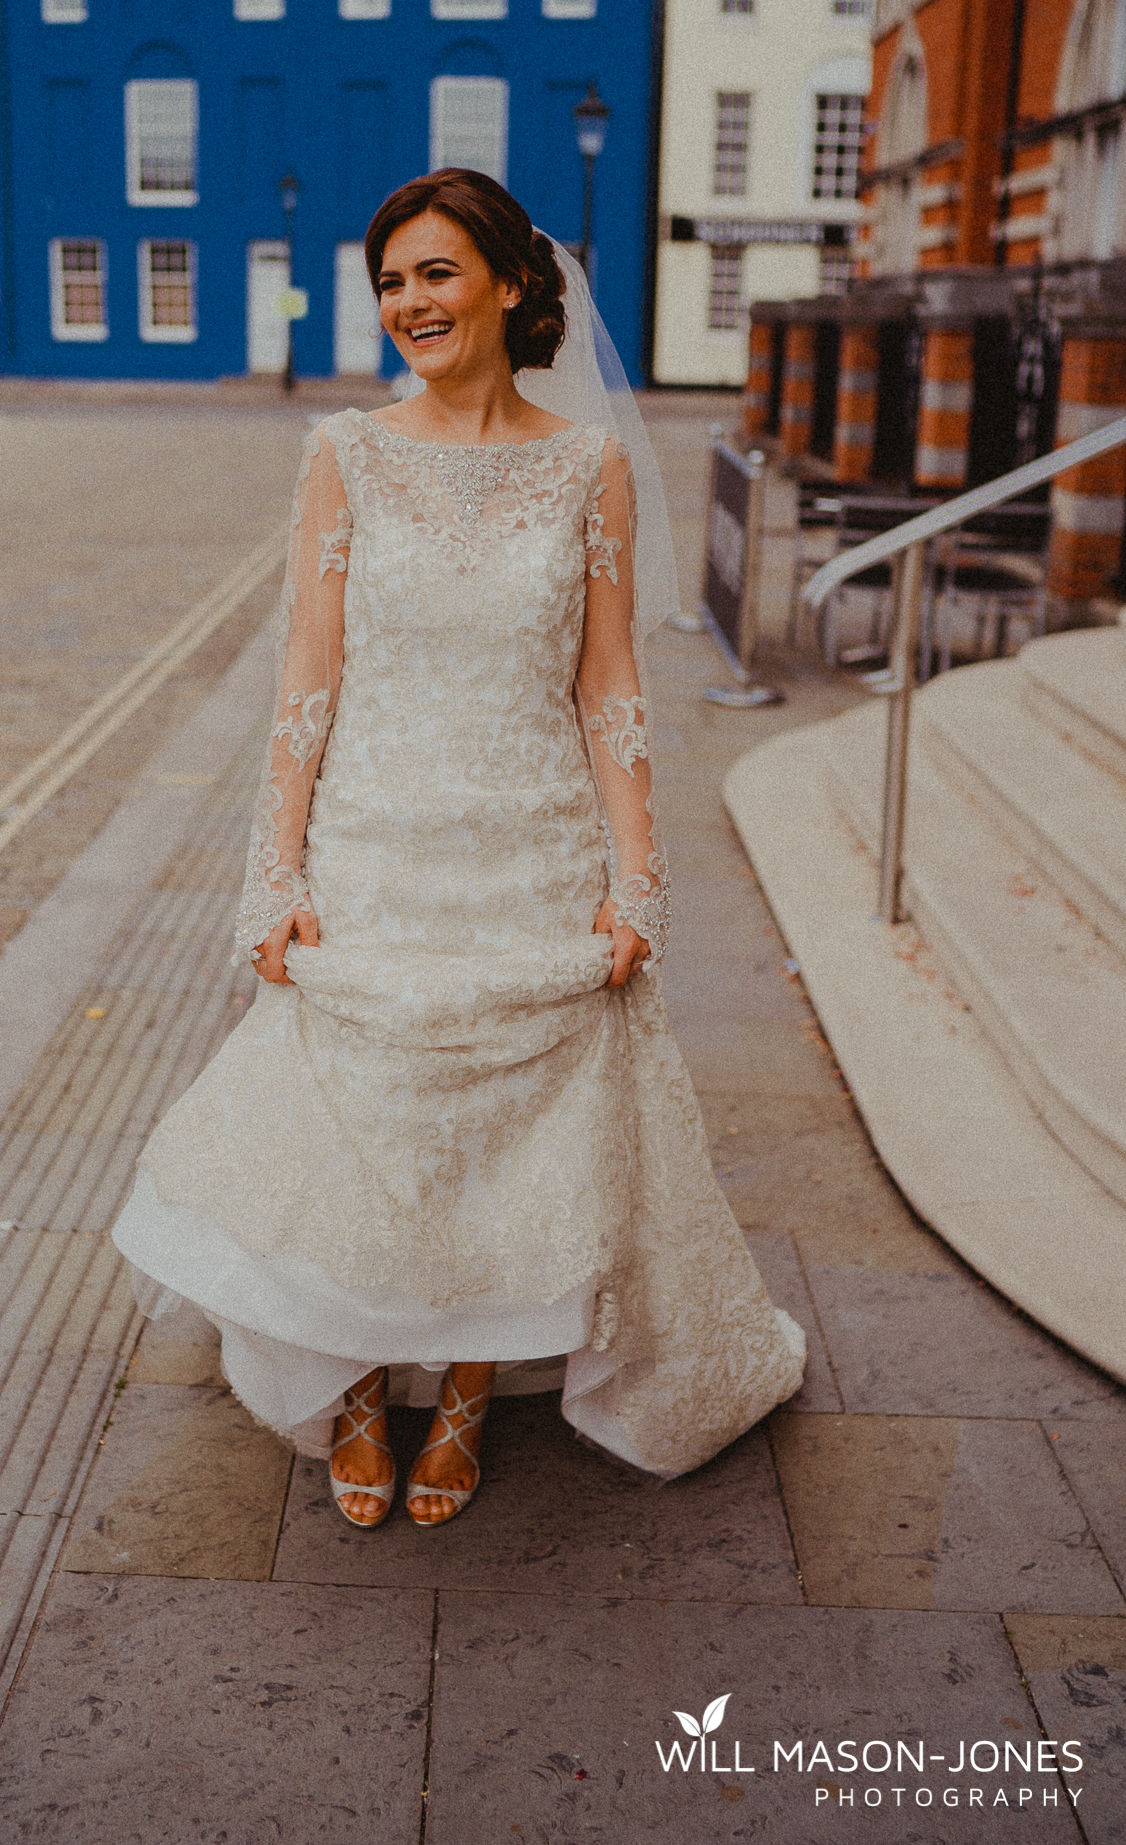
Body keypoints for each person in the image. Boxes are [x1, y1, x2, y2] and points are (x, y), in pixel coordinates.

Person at [113, 169, 804, 1529]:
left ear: (509, 283)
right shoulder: (344, 455)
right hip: (376, 843)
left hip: (531, 847)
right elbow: (306, 672)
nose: (408, 304)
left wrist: (636, 881)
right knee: (367, 1126)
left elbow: (607, 685)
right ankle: (363, 1387)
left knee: (511, 1141)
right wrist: (278, 869)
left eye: (434, 273)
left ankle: (472, 1391)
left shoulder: (585, 460)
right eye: (391, 282)